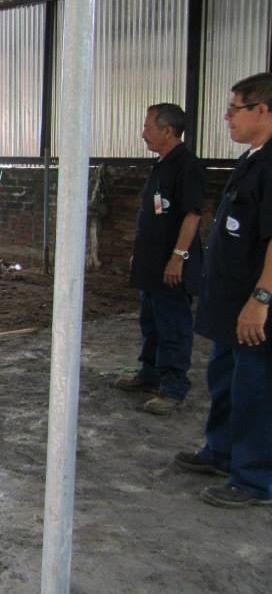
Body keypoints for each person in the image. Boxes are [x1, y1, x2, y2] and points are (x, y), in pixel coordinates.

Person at [172, 73, 272, 508]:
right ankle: (222, 452)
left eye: (235, 108)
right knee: (226, 382)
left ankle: (254, 480)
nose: (226, 116)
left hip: (254, 307)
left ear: (263, 110)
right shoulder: (252, 160)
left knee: (256, 391)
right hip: (230, 304)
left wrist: (261, 300)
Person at [115, 103, 206, 415]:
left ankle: (173, 387)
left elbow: (193, 215)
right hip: (151, 263)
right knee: (150, 321)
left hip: (171, 266)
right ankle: (149, 374)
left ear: (168, 130)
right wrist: (139, 256)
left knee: (173, 325)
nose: (143, 133)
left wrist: (177, 258)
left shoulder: (187, 165)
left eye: (148, 127)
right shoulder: (161, 165)